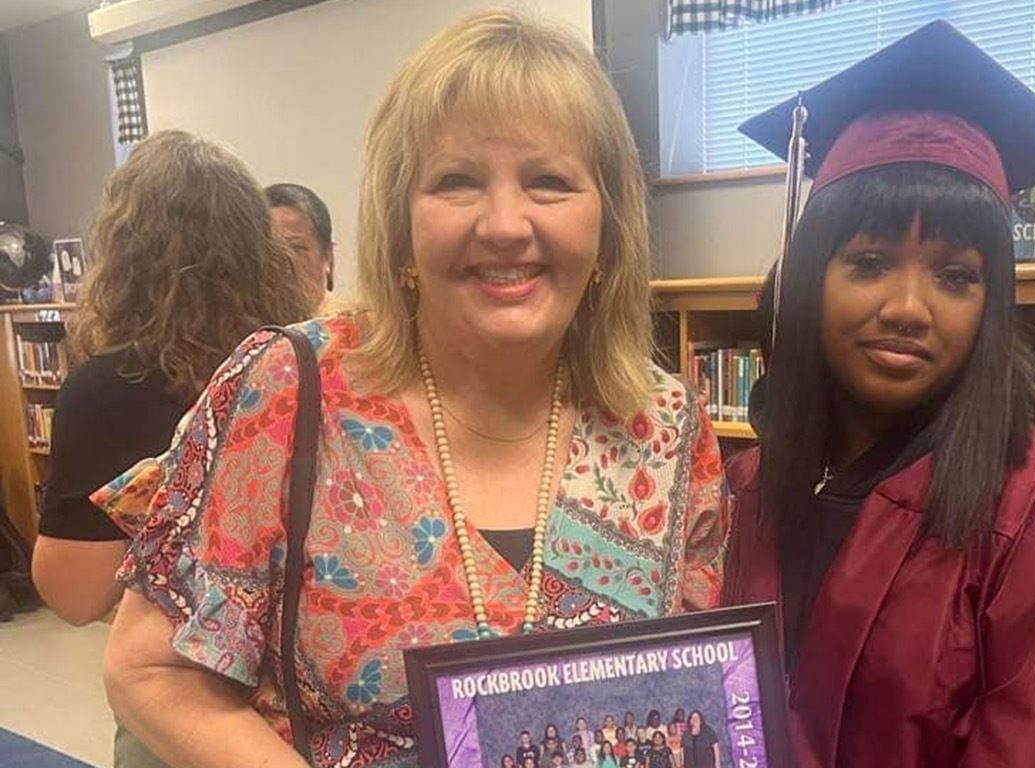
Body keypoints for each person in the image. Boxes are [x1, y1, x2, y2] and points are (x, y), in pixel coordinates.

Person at [97, 11, 728, 768]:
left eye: (550, 182)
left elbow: (690, 697)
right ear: (401, 227)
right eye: (457, 181)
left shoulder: (666, 427)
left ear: (608, 227)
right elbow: (150, 669)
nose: (504, 224)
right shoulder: (290, 391)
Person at [721, 21, 1035, 768]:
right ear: (807, 279)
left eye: (955, 275)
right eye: (868, 262)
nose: (907, 306)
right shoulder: (749, 488)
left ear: (992, 302)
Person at [29, 130, 312, 767]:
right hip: (314, 695)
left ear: (123, 252)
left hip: (187, 700)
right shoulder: (308, 357)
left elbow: (73, 596)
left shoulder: (109, 387)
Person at [267, 182, 335, 309]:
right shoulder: (242, 325)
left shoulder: (356, 325)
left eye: (295, 249)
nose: (283, 265)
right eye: (270, 251)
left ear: (327, 257)